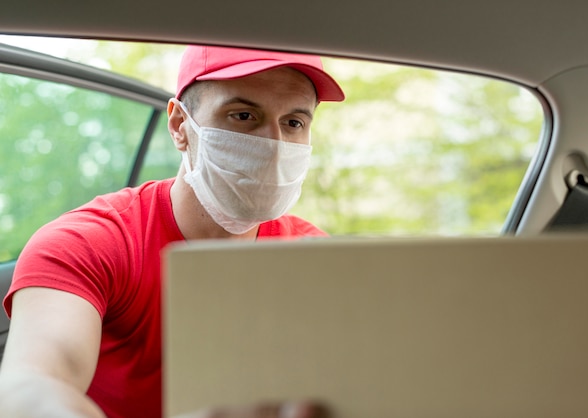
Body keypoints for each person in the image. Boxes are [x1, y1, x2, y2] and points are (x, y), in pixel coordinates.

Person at [0, 45, 344, 418]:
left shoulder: (314, 258)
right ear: (180, 126)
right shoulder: (90, 243)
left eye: (293, 123)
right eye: (243, 115)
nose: (272, 146)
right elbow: (31, 385)